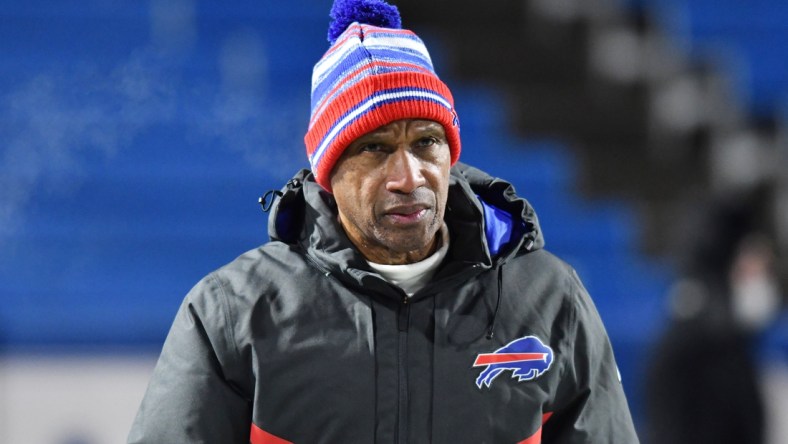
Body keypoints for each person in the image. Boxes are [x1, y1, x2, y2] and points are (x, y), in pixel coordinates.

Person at [128, 0, 638, 442]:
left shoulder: (549, 301)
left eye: (426, 143)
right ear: (328, 172)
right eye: (375, 148)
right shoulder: (234, 313)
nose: (407, 175)